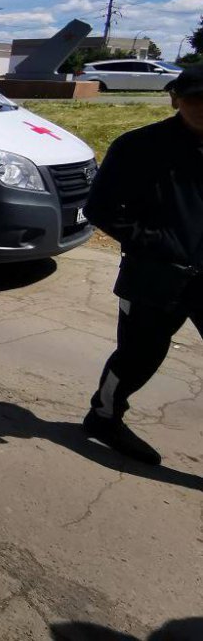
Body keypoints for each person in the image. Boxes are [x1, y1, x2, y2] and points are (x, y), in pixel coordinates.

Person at [81, 64, 203, 465]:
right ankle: (104, 415)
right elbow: (100, 208)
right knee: (138, 358)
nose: (202, 108)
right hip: (155, 277)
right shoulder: (140, 147)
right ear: (175, 100)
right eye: (194, 99)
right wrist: (156, 244)